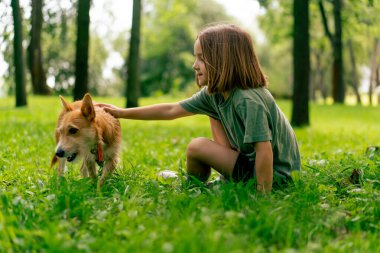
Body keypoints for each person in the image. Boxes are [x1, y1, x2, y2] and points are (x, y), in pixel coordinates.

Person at [98, 24, 301, 193]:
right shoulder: (215, 93)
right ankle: (198, 186)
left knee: (198, 146)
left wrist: (262, 197)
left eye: (201, 58)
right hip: (250, 167)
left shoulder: (248, 100)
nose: (195, 65)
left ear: (223, 60)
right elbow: (171, 110)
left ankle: (209, 187)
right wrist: (121, 113)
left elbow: (264, 150)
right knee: (212, 112)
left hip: (275, 178)